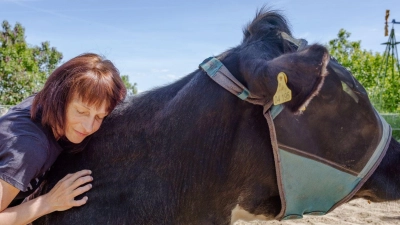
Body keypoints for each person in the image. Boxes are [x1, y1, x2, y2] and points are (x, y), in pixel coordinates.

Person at [0, 53, 127, 224]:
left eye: (99, 117)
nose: (89, 127)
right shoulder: (29, 149)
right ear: (59, 98)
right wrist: (48, 202)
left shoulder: (41, 106)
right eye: (81, 112)